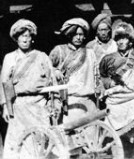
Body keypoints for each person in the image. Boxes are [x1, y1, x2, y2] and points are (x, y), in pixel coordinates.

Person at [1, 19, 56, 159]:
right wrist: (6, 107)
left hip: (39, 106)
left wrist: (53, 103)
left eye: (28, 36)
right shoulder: (10, 58)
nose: (25, 39)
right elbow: (4, 84)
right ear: (16, 38)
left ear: (32, 38)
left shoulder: (42, 57)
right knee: (17, 145)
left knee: (40, 145)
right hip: (19, 107)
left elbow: (52, 82)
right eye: (22, 36)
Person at [49, 18, 97, 123]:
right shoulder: (59, 50)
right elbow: (46, 69)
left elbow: (96, 74)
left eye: (81, 34)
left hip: (88, 101)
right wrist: (55, 71)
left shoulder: (90, 53)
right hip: (70, 102)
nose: (78, 37)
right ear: (69, 35)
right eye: (75, 34)